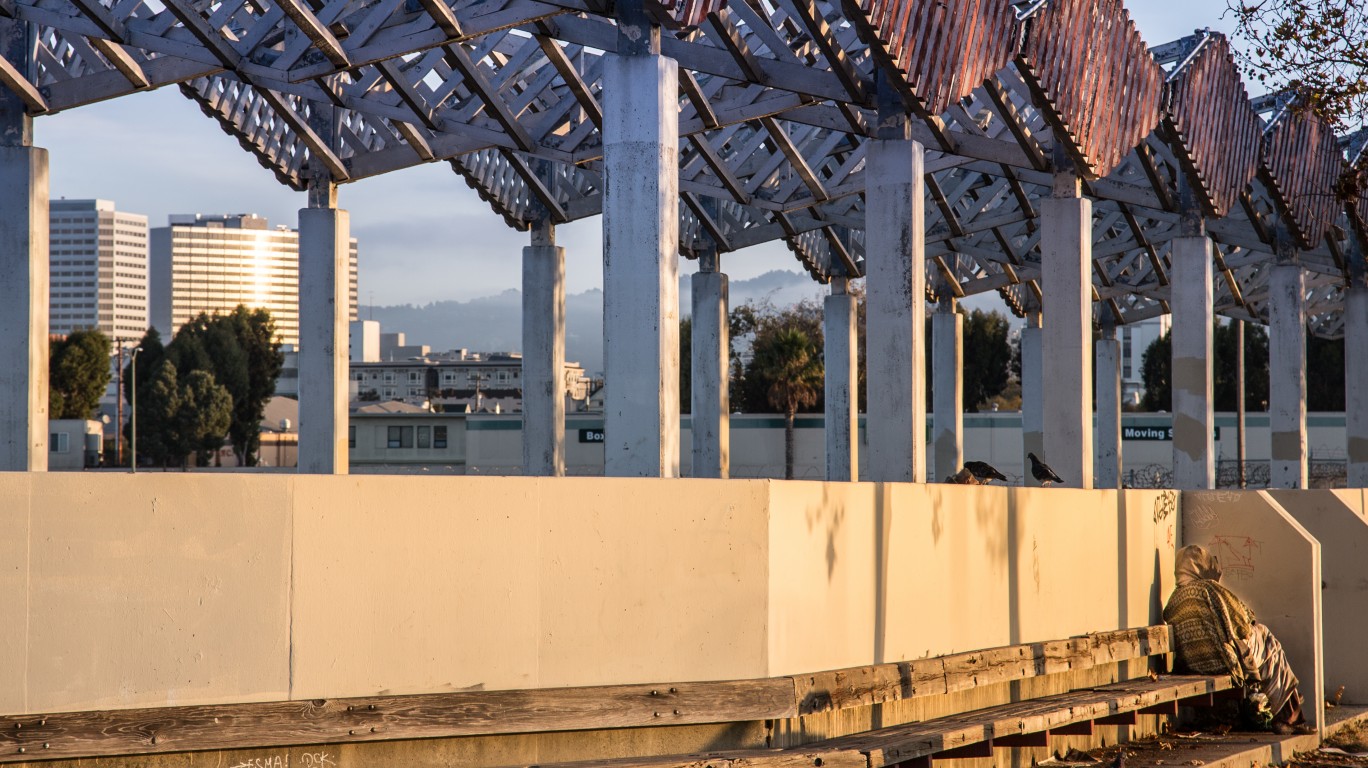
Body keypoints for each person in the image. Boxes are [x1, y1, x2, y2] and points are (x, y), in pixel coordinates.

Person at [1162, 544, 1311, 734]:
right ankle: (1287, 715)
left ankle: (1281, 712)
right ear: (1200, 565)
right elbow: (1243, 621)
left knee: (1265, 648)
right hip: (1224, 662)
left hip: (1194, 665)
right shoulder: (1208, 588)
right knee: (1268, 642)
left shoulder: (1174, 599)